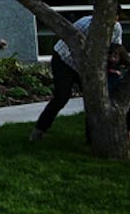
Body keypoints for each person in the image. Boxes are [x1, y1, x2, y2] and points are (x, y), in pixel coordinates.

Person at [32, 12, 122, 141]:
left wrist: (114, 66)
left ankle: (92, 136)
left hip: (88, 66)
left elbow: (116, 49)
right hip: (65, 60)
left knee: (94, 98)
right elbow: (74, 46)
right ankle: (39, 130)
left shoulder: (116, 29)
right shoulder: (85, 24)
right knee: (62, 96)